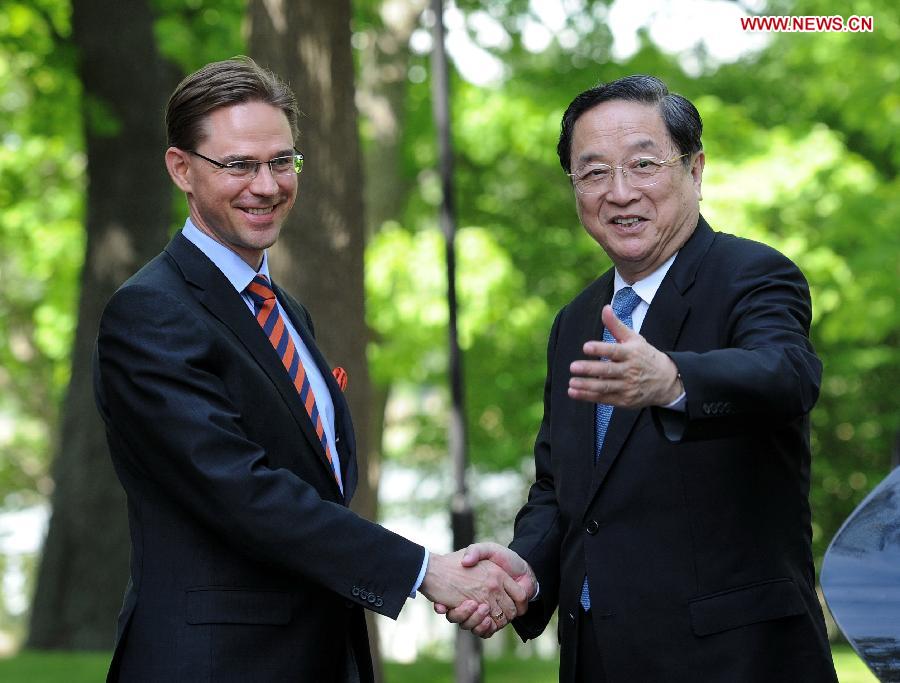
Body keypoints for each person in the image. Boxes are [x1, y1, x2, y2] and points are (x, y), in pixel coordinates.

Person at [93, 56, 531, 683]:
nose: (267, 184)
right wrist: (423, 569)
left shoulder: (287, 312)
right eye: (239, 164)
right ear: (181, 169)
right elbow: (241, 490)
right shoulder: (151, 314)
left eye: (281, 161)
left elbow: (316, 483)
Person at [439, 75, 838, 682]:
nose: (620, 192)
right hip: (599, 657)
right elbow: (562, 487)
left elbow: (787, 375)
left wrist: (674, 380)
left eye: (644, 164)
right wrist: (524, 571)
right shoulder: (576, 320)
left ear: (695, 168)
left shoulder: (751, 274)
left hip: (734, 660)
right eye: (594, 173)